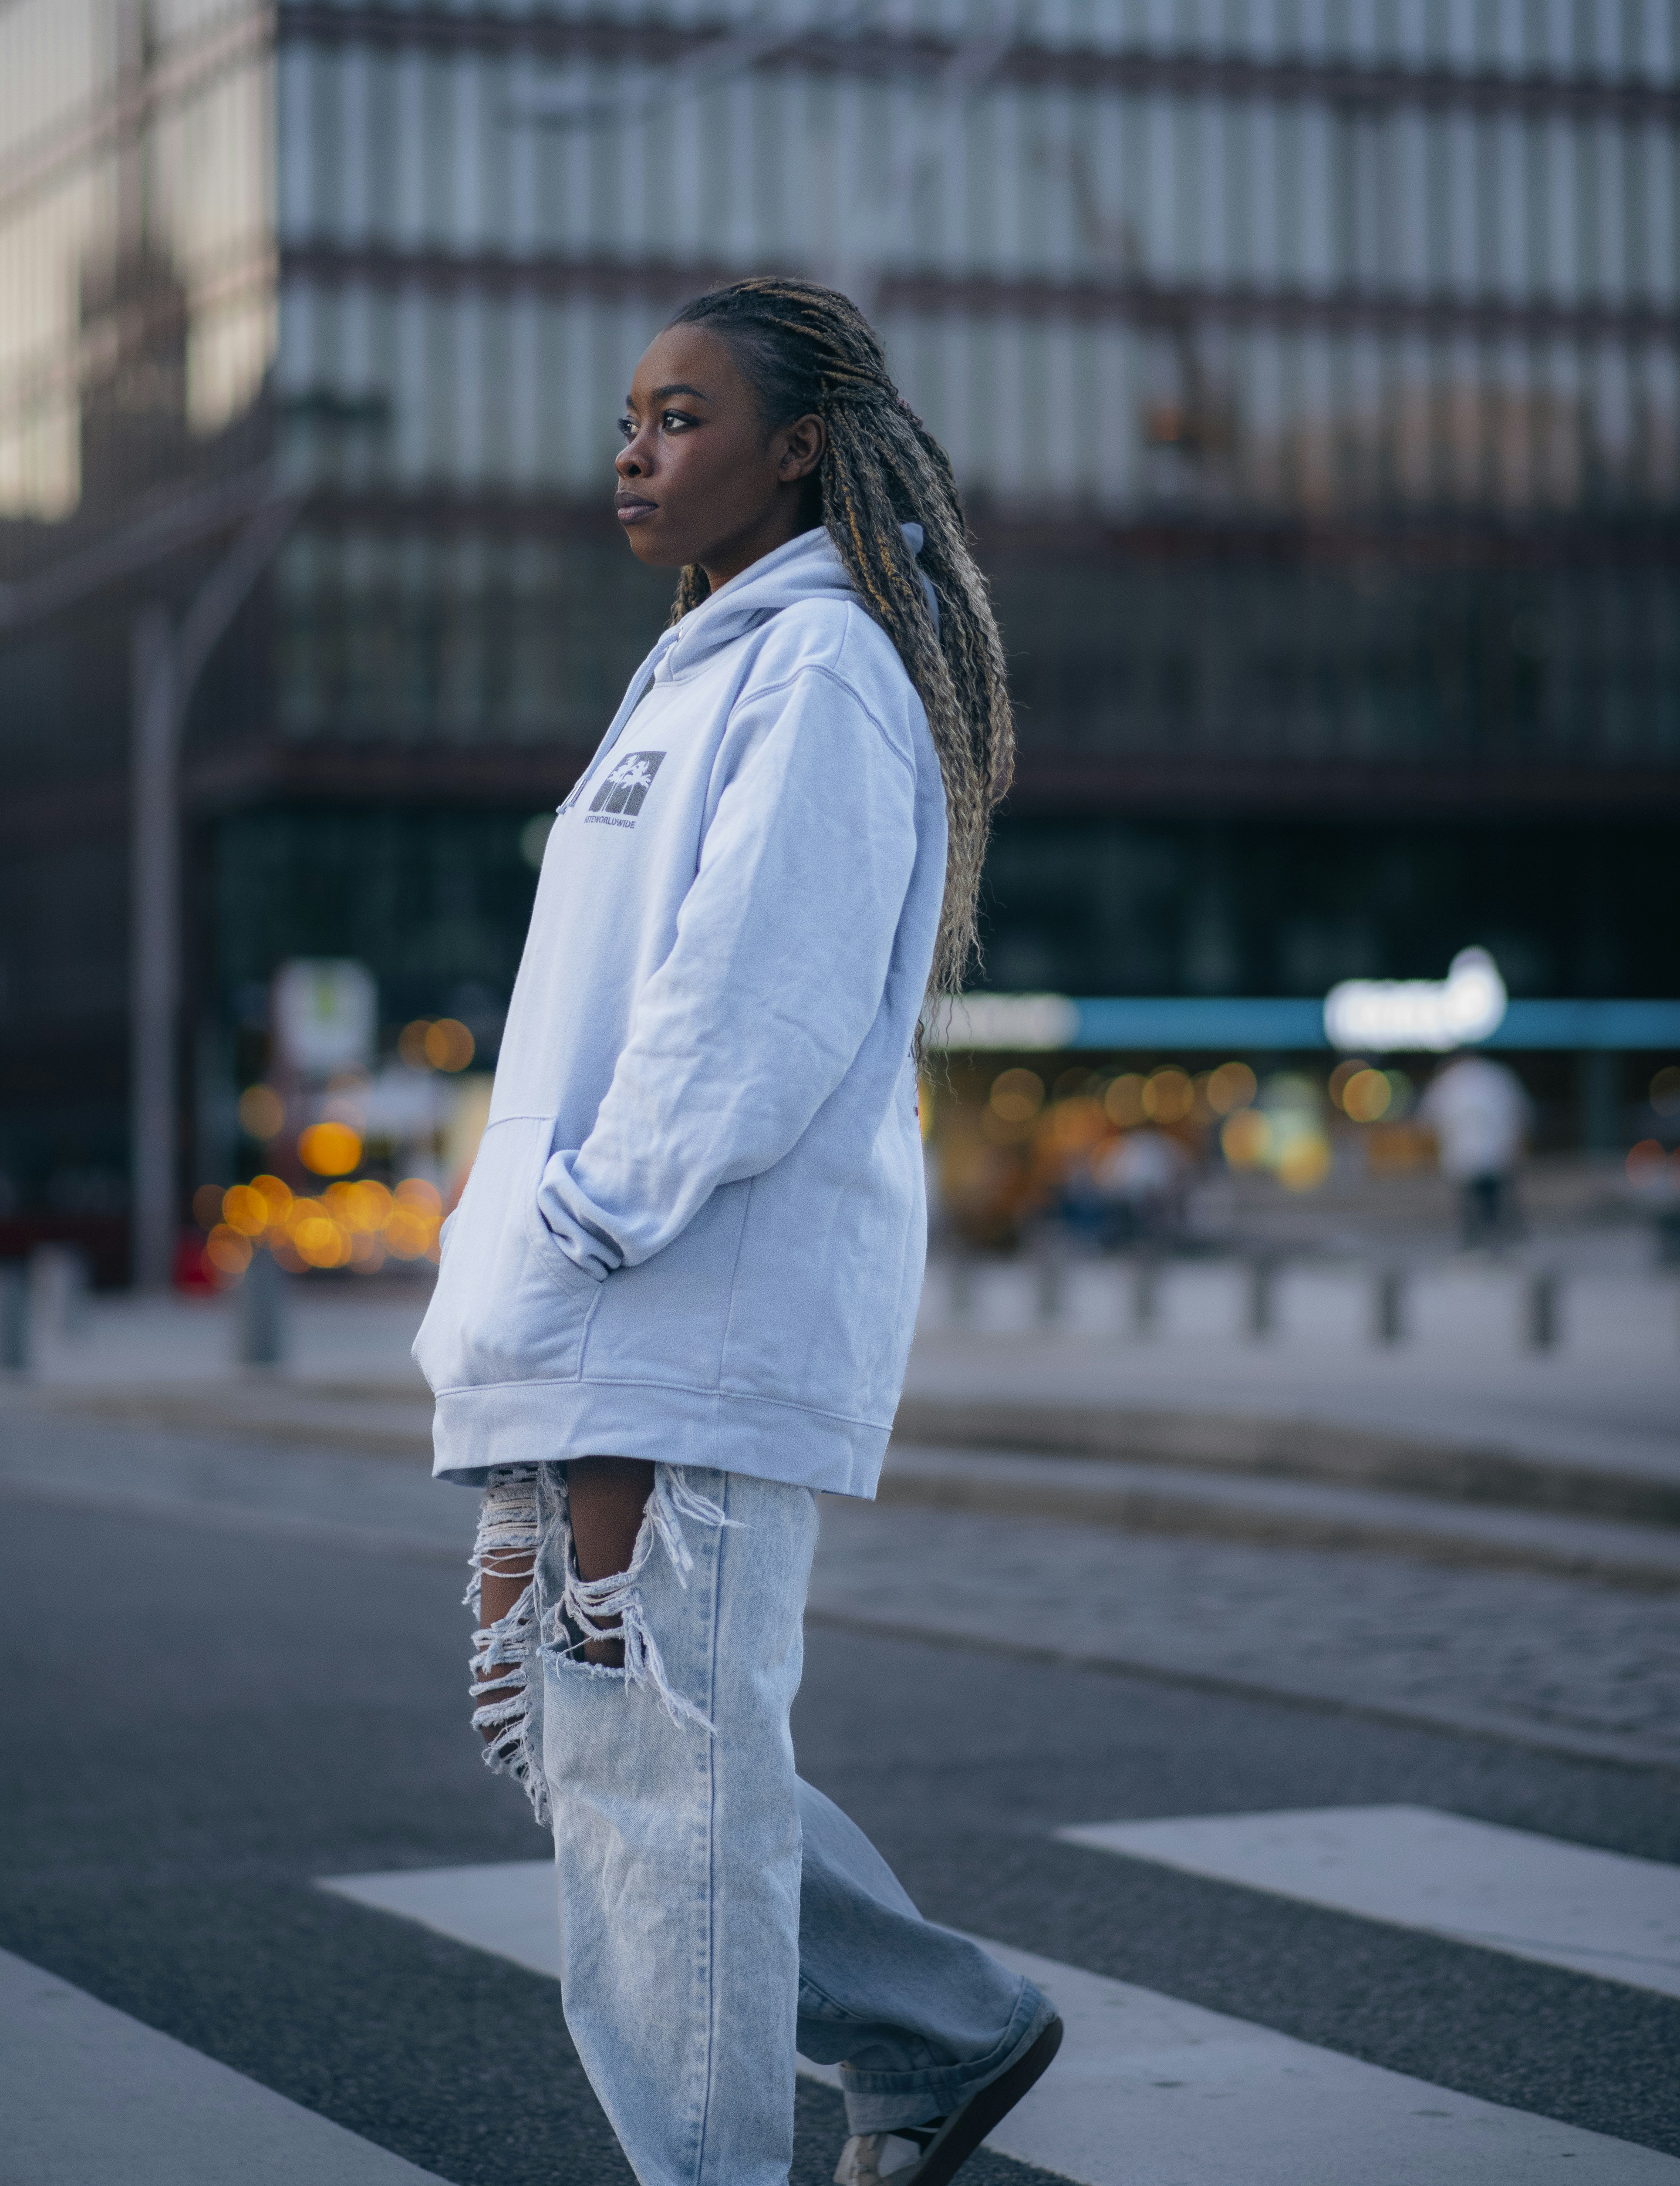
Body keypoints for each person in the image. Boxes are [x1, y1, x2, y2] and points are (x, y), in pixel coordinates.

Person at [412, 278, 1062, 2186]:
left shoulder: (827, 669)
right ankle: (940, 2030)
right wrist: (528, 1256)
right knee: (578, 1746)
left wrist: (590, 1221)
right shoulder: (699, 662)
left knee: (655, 1784)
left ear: (794, 447)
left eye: (679, 415)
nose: (632, 447)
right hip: (585, 1302)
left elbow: (748, 1007)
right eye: (627, 412)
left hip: (672, 1308)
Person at [1419, 1048, 1531, 1249]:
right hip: (1496, 1153)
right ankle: (1502, 1243)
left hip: (1464, 1155)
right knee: (1495, 1199)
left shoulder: (1448, 1081)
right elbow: (1521, 1114)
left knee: (1470, 1203)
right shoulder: (1498, 1076)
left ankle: (1476, 1244)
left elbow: (1428, 1120)